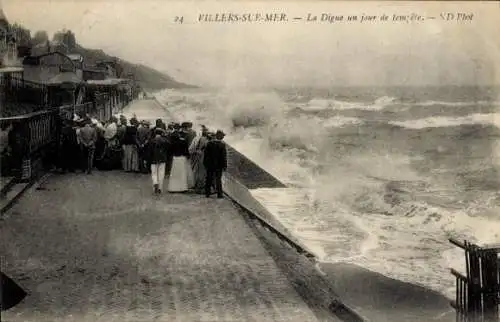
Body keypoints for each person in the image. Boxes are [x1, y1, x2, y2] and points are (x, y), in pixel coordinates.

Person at [203, 130, 227, 199]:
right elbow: (223, 157)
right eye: (222, 136)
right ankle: (219, 194)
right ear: (219, 136)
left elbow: (206, 155)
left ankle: (207, 193)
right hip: (219, 166)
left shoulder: (209, 143)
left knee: (209, 178)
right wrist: (225, 166)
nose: (223, 137)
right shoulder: (222, 145)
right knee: (218, 180)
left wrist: (205, 164)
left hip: (210, 165)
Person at [188, 126, 209, 193]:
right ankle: (201, 187)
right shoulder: (208, 140)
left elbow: (191, 149)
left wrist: (195, 152)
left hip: (197, 157)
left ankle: (196, 186)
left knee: (196, 172)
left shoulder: (196, 138)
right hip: (204, 158)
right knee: (203, 173)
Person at [148, 128, 169, 194]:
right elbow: (168, 148)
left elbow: (149, 151)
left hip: (153, 159)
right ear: (161, 133)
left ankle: (155, 182)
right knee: (161, 173)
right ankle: (160, 188)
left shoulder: (152, 141)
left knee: (154, 173)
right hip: (162, 159)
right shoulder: (165, 141)